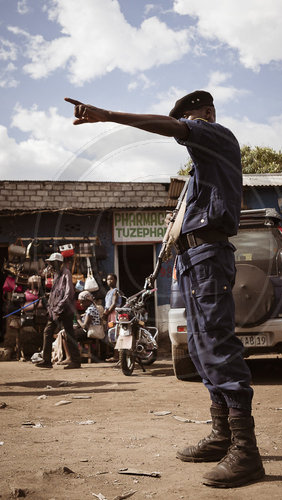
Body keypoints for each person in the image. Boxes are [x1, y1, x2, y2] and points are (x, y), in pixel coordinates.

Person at [65, 91, 265, 488]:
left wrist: (107, 114)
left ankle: (247, 452)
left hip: (208, 257)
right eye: (184, 121)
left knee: (217, 346)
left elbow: (171, 127)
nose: (183, 128)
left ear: (205, 113)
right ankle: (222, 435)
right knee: (201, 348)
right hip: (192, 260)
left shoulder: (218, 136)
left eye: (187, 119)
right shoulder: (199, 174)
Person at [35, 252, 81, 370]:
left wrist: (58, 308)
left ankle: (75, 361)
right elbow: (55, 293)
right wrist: (51, 306)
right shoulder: (56, 274)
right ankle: (47, 360)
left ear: (58, 263)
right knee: (48, 331)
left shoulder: (66, 273)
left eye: (51, 263)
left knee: (68, 334)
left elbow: (68, 294)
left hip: (65, 310)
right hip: (56, 309)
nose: (50, 265)